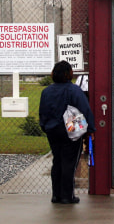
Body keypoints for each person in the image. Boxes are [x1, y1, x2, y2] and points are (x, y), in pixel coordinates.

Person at [39, 61, 95, 204]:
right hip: (72, 129)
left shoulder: (46, 92)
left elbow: (43, 112)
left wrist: (45, 126)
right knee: (69, 162)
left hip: (52, 130)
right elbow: (85, 109)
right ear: (69, 74)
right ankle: (67, 195)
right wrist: (90, 129)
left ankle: (56, 194)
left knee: (57, 161)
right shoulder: (74, 90)